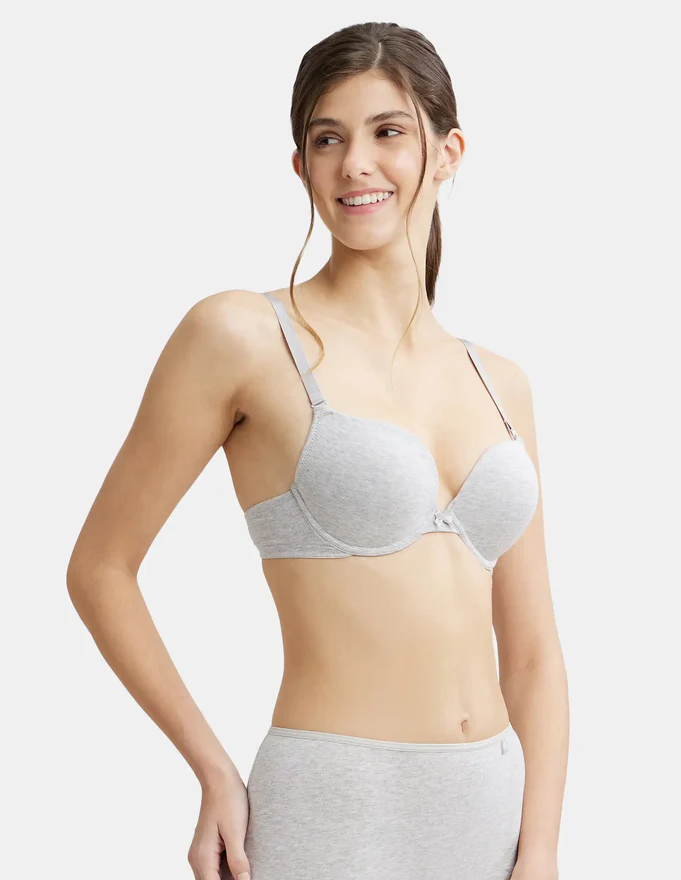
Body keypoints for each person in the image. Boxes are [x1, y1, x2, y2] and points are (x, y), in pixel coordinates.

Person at [67, 20, 568, 880]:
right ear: (301, 166)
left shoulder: (501, 383)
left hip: (493, 811)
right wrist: (212, 768)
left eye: (388, 132)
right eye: (328, 139)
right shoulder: (242, 336)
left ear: (448, 153)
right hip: (336, 806)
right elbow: (100, 568)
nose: (355, 164)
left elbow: (532, 653)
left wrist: (543, 850)